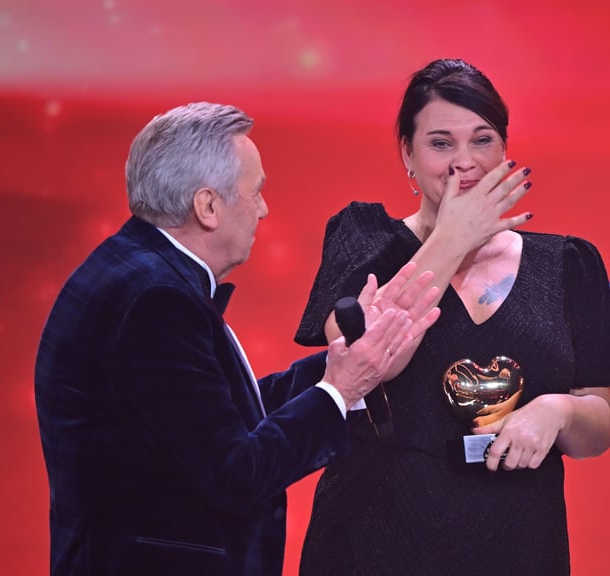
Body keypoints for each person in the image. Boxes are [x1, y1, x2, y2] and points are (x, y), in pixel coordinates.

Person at [34, 102, 440, 576]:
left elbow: (210, 419)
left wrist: (342, 364)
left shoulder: (135, 270)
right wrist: (342, 389)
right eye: (256, 193)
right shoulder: (156, 301)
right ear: (208, 206)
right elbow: (236, 473)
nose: (264, 210)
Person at [293, 58, 610, 576]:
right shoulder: (363, 238)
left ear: (506, 147)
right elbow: (363, 362)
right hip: (376, 536)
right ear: (408, 152)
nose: (463, 162)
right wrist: (451, 239)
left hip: (516, 538)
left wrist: (558, 411)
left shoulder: (568, 263)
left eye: (483, 140)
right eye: (440, 143)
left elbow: (599, 426)